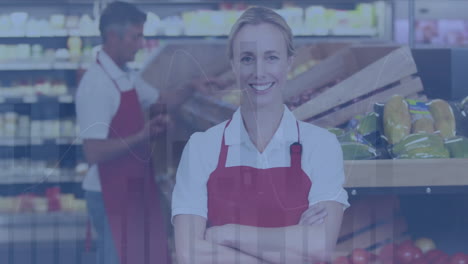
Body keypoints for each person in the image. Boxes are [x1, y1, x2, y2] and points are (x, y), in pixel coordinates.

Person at [172, 6, 350, 264]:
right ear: (233, 65)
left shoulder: (320, 145)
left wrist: (226, 234)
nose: (259, 71)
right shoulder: (202, 147)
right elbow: (189, 253)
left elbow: (319, 246)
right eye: (247, 58)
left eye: (271, 57)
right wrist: (293, 247)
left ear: (289, 62)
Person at [76, 2, 193, 264]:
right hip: (107, 193)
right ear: (113, 37)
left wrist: (193, 87)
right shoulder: (96, 84)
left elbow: (161, 99)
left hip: (129, 186)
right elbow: (93, 152)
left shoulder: (124, 76)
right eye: (135, 36)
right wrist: (143, 135)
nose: (141, 44)